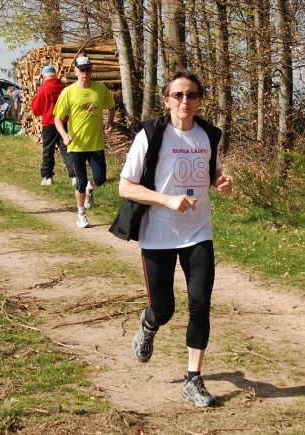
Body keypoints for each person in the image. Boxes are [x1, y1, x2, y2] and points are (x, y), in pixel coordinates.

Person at [119, 70, 233, 407]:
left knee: (200, 304)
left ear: (200, 100)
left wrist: (220, 182)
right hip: (157, 234)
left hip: (198, 232)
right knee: (164, 308)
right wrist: (167, 199)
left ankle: (193, 380)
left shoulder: (209, 135)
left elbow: (212, 173)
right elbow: (126, 186)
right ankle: (150, 322)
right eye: (178, 95)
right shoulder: (151, 134)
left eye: (192, 95)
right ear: (167, 99)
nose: (185, 101)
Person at [53, 56, 115, 228]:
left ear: (91, 71)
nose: (84, 73)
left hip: (96, 143)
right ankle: (81, 214)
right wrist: (65, 136)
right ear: (75, 72)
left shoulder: (100, 89)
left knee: (101, 178)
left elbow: (110, 106)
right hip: (76, 144)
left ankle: (90, 188)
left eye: (87, 69)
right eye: (81, 70)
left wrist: (110, 122)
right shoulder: (68, 92)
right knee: (80, 180)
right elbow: (57, 118)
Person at [31, 66, 76, 186]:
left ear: (44, 76)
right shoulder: (64, 88)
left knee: (48, 151)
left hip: (49, 123)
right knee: (67, 150)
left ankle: (47, 176)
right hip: (64, 123)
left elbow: (36, 109)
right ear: (55, 75)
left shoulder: (43, 89)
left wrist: (44, 112)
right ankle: (74, 175)